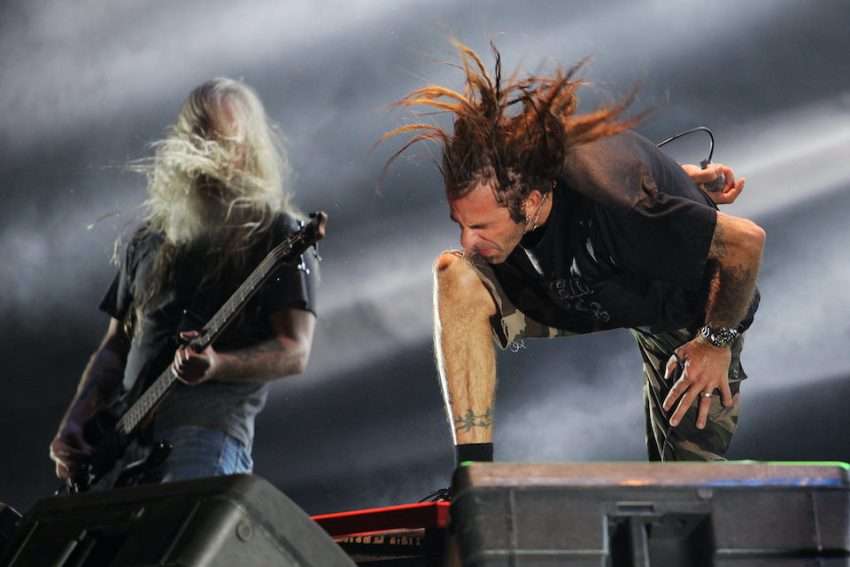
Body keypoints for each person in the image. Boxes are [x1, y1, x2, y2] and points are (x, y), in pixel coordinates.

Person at [385, 43, 763, 465]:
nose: (469, 241)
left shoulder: (623, 204)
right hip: (585, 288)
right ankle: (473, 472)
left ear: (530, 203)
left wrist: (715, 341)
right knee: (454, 275)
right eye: (461, 223)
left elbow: (745, 241)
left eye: (481, 227)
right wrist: (678, 182)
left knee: (688, 484)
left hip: (688, 315)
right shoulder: (525, 167)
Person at [49, 78, 318, 487]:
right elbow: (115, 345)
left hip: (205, 435)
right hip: (121, 445)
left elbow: (294, 350)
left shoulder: (276, 233)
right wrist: (75, 419)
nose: (207, 151)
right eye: (197, 137)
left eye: (221, 139)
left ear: (247, 149)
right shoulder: (149, 239)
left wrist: (217, 365)